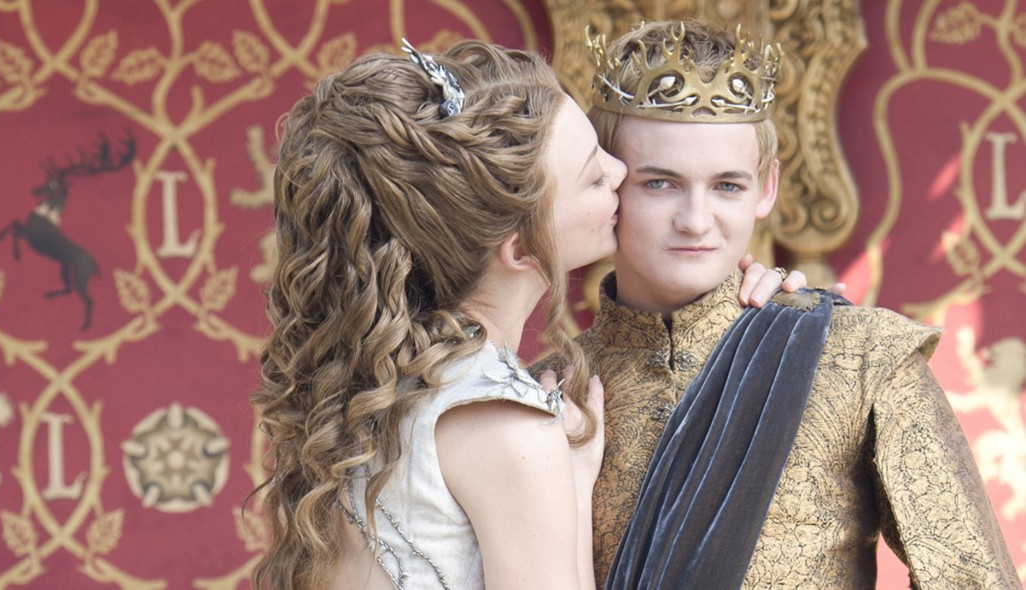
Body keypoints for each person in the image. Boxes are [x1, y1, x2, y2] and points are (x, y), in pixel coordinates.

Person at [249, 38, 800, 590]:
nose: (620, 172)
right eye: (594, 176)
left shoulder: (381, 385)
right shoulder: (512, 429)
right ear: (522, 248)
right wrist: (567, 491)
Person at [536, 19, 1019, 589]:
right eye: (659, 183)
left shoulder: (862, 358)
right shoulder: (549, 390)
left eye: (727, 186)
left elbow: (975, 581)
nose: (696, 221)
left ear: (766, 187)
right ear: (608, 184)